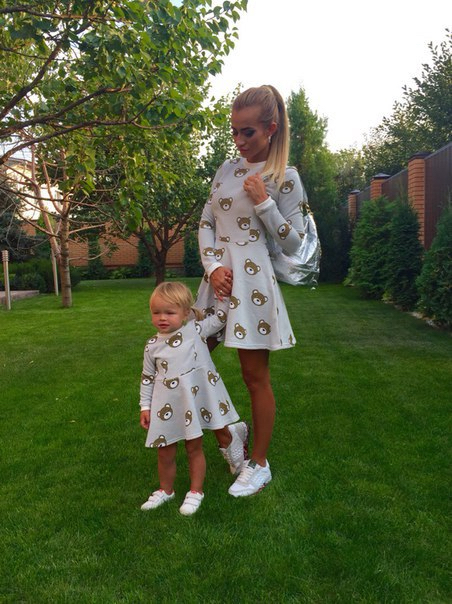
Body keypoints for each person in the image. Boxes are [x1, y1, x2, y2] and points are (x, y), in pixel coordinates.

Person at [196, 85, 306, 497]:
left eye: (248, 132)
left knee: (253, 376)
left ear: (271, 128)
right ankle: (230, 433)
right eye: (234, 131)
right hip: (216, 281)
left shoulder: (285, 178)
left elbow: (295, 242)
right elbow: (206, 222)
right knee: (190, 357)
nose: (239, 141)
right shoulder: (226, 168)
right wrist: (212, 267)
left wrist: (264, 203)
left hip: (254, 284)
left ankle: (259, 463)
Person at [139, 281, 247, 516]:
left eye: (169, 312)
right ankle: (166, 490)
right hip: (165, 406)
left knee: (193, 447)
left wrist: (223, 295)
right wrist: (145, 406)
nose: (162, 318)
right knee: (164, 451)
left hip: (191, 404)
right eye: (156, 312)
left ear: (185, 312)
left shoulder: (196, 330)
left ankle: (196, 491)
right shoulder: (152, 346)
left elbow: (221, 317)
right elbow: (147, 378)